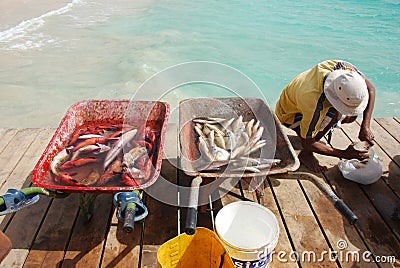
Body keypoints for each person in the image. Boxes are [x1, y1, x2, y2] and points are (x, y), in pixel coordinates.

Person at [275, 60, 376, 172]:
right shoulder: (313, 103)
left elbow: (371, 89)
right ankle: (305, 155)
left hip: (295, 97)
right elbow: (308, 142)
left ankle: (309, 130)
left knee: (350, 117)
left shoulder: (344, 70)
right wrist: (344, 154)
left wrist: (365, 125)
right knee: (335, 116)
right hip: (289, 115)